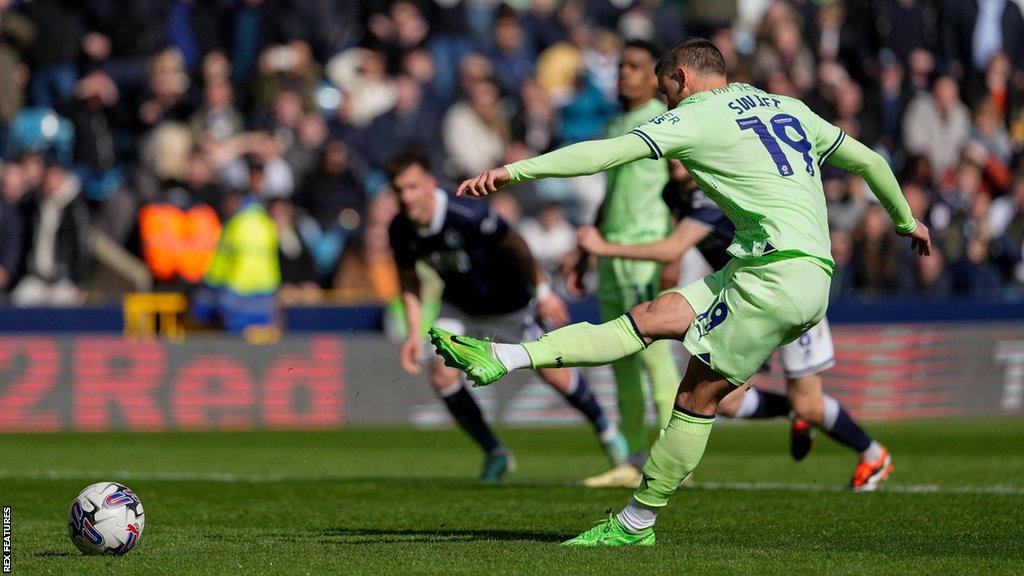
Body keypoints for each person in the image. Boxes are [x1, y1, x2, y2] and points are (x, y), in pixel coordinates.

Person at [430, 38, 930, 546]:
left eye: (666, 91)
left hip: (772, 278)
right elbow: (869, 160)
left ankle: (636, 523)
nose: (665, 103)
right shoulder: (789, 107)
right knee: (651, 317)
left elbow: (606, 154)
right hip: (782, 270)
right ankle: (504, 356)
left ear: (683, 79)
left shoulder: (696, 114)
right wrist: (906, 221)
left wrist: (514, 171)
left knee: (695, 397)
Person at [577, 178, 892, 491]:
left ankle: (874, 454)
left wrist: (602, 248)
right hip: (743, 298)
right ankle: (794, 411)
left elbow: (675, 246)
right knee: (724, 401)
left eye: (679, 159)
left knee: (809, 404)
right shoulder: (672, 191)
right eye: (670, 160)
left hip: (785, 290)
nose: (674, 165)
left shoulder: (714, 192)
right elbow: (674, 241)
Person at [386, 149, 627, 482]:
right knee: (440, 371)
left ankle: (606, 430)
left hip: (511, 304)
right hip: (461, 307)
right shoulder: (400, 229)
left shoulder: (465, 213)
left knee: (553, 372)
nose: (406, 196)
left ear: (429, 183)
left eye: (412, 187)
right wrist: (414, 332)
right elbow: (409, 279)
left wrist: (542, 293)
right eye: (399, 190)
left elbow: (517, 245)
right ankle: (495, 452)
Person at [575, 39, 681, 489]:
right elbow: (612, 195)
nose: (623, 73)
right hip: (611, 255)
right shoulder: (617, 121)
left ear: (654, 76)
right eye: (620, 65)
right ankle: (634, 458)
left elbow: (683, 187)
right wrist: (584, 251)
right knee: (620, 363)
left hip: (645, 255)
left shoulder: (667, 121)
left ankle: (674, 460)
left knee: (656, 358)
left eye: (634, 66)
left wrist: (673, 251)